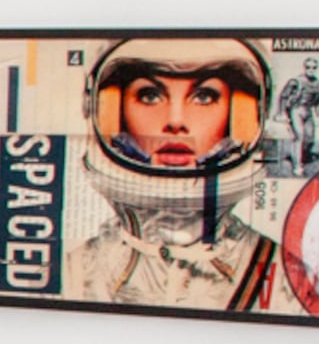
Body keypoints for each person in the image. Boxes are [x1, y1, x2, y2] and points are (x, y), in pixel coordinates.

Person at [71, 35, 287, 312]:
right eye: (150, 96)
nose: (175, 121)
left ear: (243, 114)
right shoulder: (69, 275)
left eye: (204, 96)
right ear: (108, 109)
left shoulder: (287, 281)